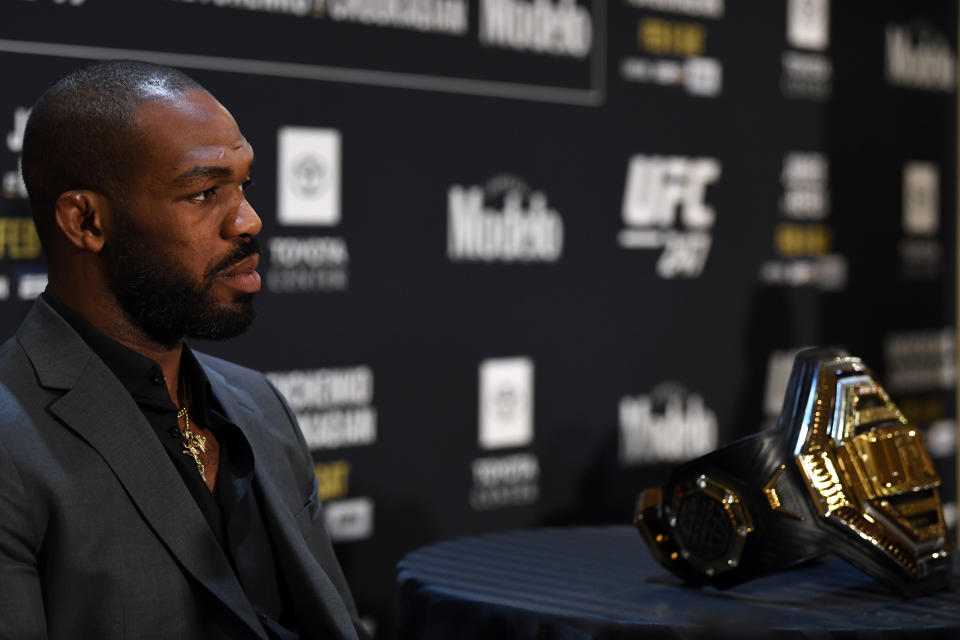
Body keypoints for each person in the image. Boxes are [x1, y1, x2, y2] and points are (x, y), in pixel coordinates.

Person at [0, 60, 366, 640]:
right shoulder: (9, 443)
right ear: (85, 220)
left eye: (243, 184)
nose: (249, 220)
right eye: (204, 192)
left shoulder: (258, 403)